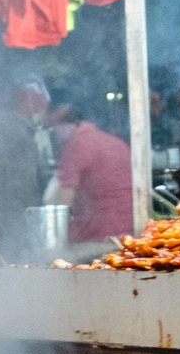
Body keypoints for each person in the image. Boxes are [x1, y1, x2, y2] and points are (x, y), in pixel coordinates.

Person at [44, 86, 133, 242]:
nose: (54, 137)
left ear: (59, 115)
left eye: (51, 129)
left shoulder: (77, 143)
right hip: (129, 232)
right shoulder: (112, 140)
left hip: (100, 236)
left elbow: (62, 206)